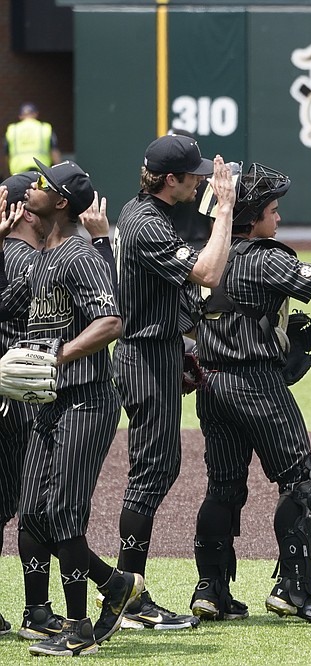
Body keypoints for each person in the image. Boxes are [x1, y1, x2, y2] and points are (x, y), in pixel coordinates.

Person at [189, 163, 311, 624]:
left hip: (211, 383)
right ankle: (294, 592)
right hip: (257, 385)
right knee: (302, 482)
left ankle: (210, 590)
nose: (278, 220)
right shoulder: (264, 257)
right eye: (273, 211)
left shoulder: (207, 256)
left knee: (223, 488)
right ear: (254, 215)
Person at [0, 160, 141, 656]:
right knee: (35, 513)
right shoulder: (42, 258)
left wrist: (56, 353)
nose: (30, 188)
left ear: (60, 202)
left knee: (62, 511)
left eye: (41, 184)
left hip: (85, 399)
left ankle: (80, 627)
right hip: (45, 405)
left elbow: (110, 322)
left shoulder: (80, 255)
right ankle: (115, 584)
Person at [111, 135, 235, 631]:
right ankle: (128, 594)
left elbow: (178, 288)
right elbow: (206, 272)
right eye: (194, 174)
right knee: (151, 473)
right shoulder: (146, 224)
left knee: (157, 470)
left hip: (157, 350)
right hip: (144, 355)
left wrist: (184, 344)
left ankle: (128, 589)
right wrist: (224, 210)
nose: (202, 179)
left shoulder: (144, 212)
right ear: (170, 180)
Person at [3, 103, 61, 177]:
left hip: (18, 173)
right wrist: (59, 173)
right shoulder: (45, 128)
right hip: (41, 172)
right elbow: (54, 152)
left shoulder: (12, 130)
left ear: (20, 116)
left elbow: (7, 155)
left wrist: (6, 176)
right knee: (39, 188)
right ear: (36, 114)